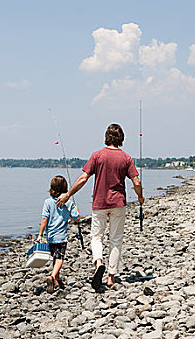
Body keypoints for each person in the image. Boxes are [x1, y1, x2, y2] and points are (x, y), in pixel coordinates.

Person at [57, 124, 145, 291]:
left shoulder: (97, 156)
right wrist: (140, 197)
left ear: (106, 137)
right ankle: (111, 277)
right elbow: (137, 182)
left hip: (99, 203)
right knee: (115, 239)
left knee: (97, 236)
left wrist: (68, 194)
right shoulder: (126, 158)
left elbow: (83, 178)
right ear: (121, 138)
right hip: (119, 204)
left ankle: (98, 262)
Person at [36, 175, 80, 293]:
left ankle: (57, 280)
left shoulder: (47, 202)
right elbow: (76, 218)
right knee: (60, 258)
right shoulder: (68, 203)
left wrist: (40, 235)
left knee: (55, 258)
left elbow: (44, 219)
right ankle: (52, 276)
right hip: (61, 237)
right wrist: (76, 208)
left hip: (50, 236)